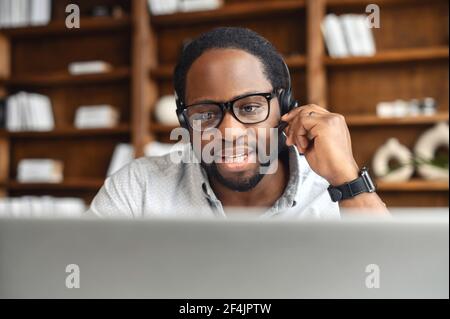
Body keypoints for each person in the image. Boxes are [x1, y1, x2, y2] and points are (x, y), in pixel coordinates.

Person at [87, 27, 388, 218]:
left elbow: (389, 282)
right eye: (205, 114)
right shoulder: (139, 189)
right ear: (185, 120)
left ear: (286, 108)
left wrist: (348, 180)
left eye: (250, 107)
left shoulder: (332, 193)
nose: (228, 132)